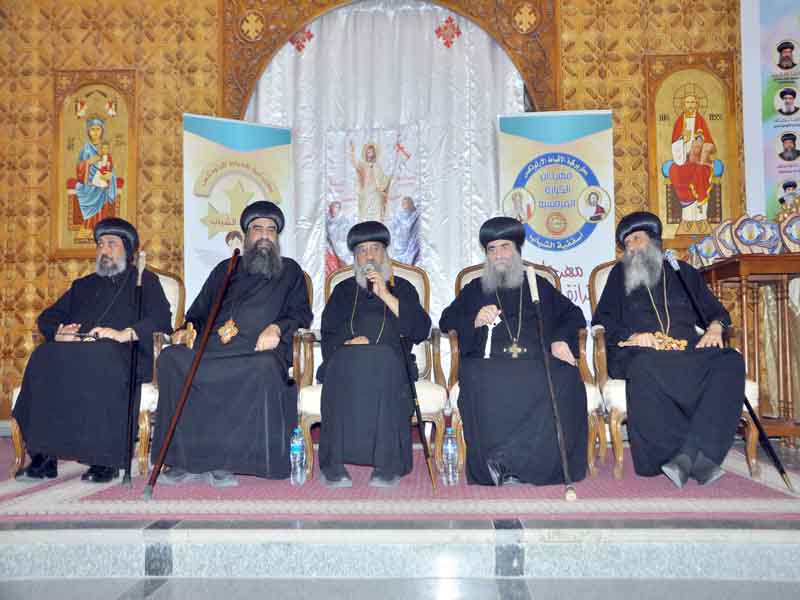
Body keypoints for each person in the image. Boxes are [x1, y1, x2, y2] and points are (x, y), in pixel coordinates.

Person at [153, 201, 312, 487]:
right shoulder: (225, 269)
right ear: (246, 236)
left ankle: (226, 461)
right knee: (171, 358)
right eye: (257, 229)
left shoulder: (290, 271)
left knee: (264, 366)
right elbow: (198, 313)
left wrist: (277, 328)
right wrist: (184, 330)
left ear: (277, 237)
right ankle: (182, 458)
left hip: (255, 353)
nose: (264, 235)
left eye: (271, 230)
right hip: (211, 351)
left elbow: (301, 314)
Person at [592, 211, 745, 488]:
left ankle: (692, 455)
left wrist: (715, 327)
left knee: (730, 361)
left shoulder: (682, 271)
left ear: (654, 240)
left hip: (684, 351)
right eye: (626, 243)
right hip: (638, 352)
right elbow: (603, 321)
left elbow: (715, 312)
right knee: (645, 365)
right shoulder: (618, 275)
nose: (631, 247)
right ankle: (674, 455)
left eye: (636, 239)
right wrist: (634, 336)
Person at [13, 218, 171, 483]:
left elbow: (162, 319)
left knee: (103, 356)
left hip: (123, 354)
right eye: (100, 244)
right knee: (44, 355)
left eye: (111, 243)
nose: (104, 249)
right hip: (79, 354)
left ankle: (104, 460)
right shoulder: (83, 285)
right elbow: (48, 317)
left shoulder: (145, 280)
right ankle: (43, 456)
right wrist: (60, 332)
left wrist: (122, 334)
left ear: (128, 249)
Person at [439, 217, 588, 486]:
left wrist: (559, 340)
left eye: (505, 246)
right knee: (481, 379)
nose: (499, 255)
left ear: (517, 249)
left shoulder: (537, 284)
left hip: (536, 361)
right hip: (487, 364)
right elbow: (446, 320)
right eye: (492, 249)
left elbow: (573, 315)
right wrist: (474, 319)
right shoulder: (475, 288)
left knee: (566, 377)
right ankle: (498, 465)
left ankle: (537, 466)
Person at [316, 221, 431, 488]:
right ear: (355, 258)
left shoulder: (403, 287)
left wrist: (386, 295)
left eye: (375, 249)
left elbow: (421, 330)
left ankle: (387, 465)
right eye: (362, 251)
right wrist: (348, 343)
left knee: (383, 359)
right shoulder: (343, 290)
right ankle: (333, 466)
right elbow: (328, 333)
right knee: (344, 362)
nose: (369, 256)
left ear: (385, 253)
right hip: (347, 362)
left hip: (391, 365)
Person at [668, 95, 716, 232]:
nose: (690, 105)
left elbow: (710, 144)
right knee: (676, 171)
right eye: (687, 102)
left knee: (701, 172)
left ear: (697, 104)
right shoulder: (679, 122)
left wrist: (701, 148)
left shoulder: (701, 121)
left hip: (700, 159)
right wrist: (682, 140)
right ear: (683, 105)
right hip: (683, 159)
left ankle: (701, 217)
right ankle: (687, 217)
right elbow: (674, 144)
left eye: (693, 102)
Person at [67, 117, 119, 229]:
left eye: (98, 129)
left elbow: (111, 167)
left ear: (102, 131)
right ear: (88, 131)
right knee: (88, 189)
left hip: (102, 182)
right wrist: (88, 162)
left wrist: (110, 176)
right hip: (88, 183)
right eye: (92, 129)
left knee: (102, 190)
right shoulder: (86, 149)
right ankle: (89, 227)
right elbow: (79, 167)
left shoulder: (105, 147)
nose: (95, 132)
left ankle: (101, 228)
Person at [349, 141, 390, 223]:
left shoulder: (377, 166)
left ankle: (376, 227)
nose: (369, 154)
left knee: (376, 214)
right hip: (366, 192)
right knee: (364, 213)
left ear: (374, 153)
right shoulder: (362, 164)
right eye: (368, 152)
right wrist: (352, 152)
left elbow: (383, 180)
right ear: (365, 153)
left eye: (371, 152)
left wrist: (390, 179)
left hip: (375, 193)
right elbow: (354, 163)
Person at [390, 196, 420, 265]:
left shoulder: (415, 214)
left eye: (406, 203)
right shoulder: (400, 215)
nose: (404, 205)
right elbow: (394, 227)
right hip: (400, 242)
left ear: (411, 204)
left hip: (410, 242)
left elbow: (409, 226)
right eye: (403, 204)